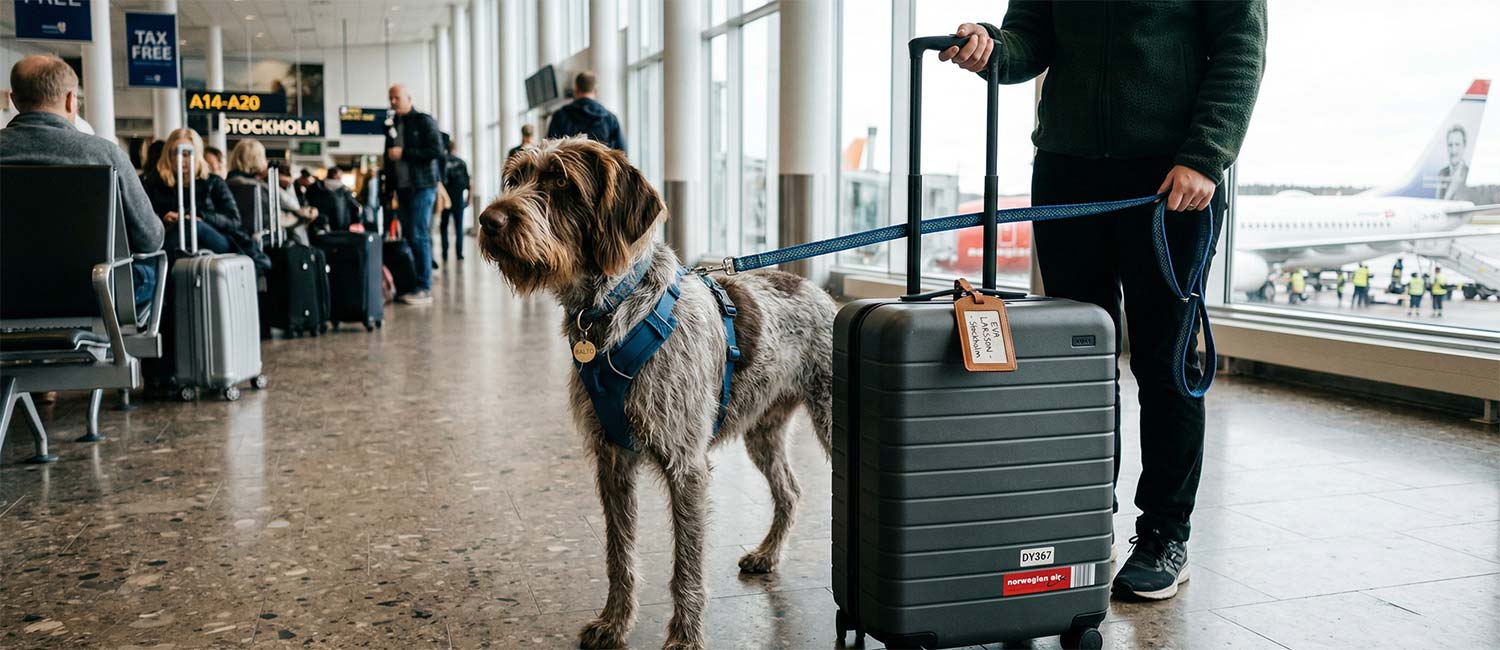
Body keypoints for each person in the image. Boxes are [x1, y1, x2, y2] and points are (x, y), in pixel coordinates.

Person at [940, 2, 1265, 601]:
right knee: (1078, 366)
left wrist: (1205, 154)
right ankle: (1085, 520)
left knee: (1164, 364)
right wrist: (990, 48)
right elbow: (1030, 41)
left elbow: (1242, 47)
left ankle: (1165, 532)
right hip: (1067, 170)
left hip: (1172, 180)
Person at [0, 54, 164, 314]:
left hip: (6, 294)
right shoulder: (105, 155)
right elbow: (151, 238)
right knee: (150, 269)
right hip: (95, 293)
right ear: (69, 99)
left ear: (14, 100)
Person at [140, 128, 255, 265]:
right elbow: (143, 220)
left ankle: (154, 272)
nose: (180, 159)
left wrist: (201, 217)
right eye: (174, 153)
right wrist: (163, 220)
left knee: (192, 226)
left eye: (186, 154)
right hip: (172, 237)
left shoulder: (214, 183)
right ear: (167, 155)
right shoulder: (155, 184)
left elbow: (233, 220)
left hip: (215, 239)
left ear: (196, 154)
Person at [383, 83, 443, 305]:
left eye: (397, 97)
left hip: (423, 185)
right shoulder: (392, 125)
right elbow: (388, 159)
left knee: (418, 234)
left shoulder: (424, 121)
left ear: (408, 98)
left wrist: (405, 153)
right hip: (403, 187)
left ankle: (424, 287)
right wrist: (389, 189)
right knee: (408, 235)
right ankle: (412, 283)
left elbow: (436, 150)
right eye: (390, 98)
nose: (393, 102)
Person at [225, 140, 317, 245]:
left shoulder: (228, 183)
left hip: (235, 239)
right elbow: (275, 217)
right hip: (257, 243)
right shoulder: (255, 186)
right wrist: (302, 217)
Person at [545, 71, 626, 152]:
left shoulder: (560, 116)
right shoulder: (610, 119)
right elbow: (622, 154)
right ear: (595, 90)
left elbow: (549, 149)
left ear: (576, 90)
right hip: (602, 164)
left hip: (570, 164)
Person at [440, 133, 472, 265]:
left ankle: (445, 252)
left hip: (445, 199)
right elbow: (469, 183)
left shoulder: (442, 162)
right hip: (458, 198)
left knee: (444, 226)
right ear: (455, 148)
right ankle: (459, 253)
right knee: (459, 227)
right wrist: (469, 198)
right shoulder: (462, 162)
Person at [305, 166, 364, 232]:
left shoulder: (315, 187)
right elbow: (354, 207)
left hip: (319, 224)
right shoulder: (345, 190)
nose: (342, 176)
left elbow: (308, 202)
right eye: (341, 174)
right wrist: (358, 221)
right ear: (335, 175)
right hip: (341, 226)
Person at [1437, 125, 1469, 200]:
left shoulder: (1469, 175)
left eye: (1457, 145)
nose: (1453, 150)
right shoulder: (1442, 173)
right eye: (1450, 145)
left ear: (1464, 146)